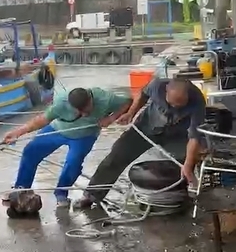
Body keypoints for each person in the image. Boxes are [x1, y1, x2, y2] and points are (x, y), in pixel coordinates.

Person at [75, 78, 206, 209]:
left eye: (180, 105)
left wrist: (188, 165)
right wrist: (131, 113)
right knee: (117, 154)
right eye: (172, 104)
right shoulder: (156, 85)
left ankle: (177, 199)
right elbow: (143, 94)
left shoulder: (198, 101)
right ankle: (91, 195)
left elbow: (194, 137)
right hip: (147, 127)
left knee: (184, 165)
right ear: (165, 90)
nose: (175, 107)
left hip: (177, 135)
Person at [2, 87, 132, 208]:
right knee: (30, 151)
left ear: (91, 99)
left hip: (84, 135)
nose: (84, 114)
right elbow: (41, 120)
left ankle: (61, 194)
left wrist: (111, 118)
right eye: (79, 111)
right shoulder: (61, 103)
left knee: (73, 162)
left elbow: (128, 101)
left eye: (87, 109)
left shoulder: (105, 99)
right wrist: (17, 132)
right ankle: (21, 188)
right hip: (58, 129)